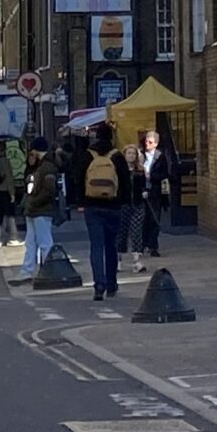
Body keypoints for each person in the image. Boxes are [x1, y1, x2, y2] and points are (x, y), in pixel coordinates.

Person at [79, 123, 126, 302]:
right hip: (113, 206)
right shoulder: (117, 156)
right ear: (111, 136)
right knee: (111, 246)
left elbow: (77, 177)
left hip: (92, 206)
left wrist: (81, 201)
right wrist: (122, 202)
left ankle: (99, 286)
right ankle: (112, 284)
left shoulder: (87, 155)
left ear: (96, 136)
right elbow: (125, 182)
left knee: (96, 246)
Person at [14, 143, 58, 283]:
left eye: (32, 152)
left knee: (44, 242)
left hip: (41, 210)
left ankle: (47, 271)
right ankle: (27, 271)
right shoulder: (40, 166)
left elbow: (49, 190)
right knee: (31, 242)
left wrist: (34, 202)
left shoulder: (47, 166)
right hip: (34, 210)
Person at [138, 130, 176, 263]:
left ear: (156, 143)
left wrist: (151, 176)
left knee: (154, 218)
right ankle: (141, 245)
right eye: (146, 142)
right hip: (142, 191)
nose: (148, 144)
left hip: (155, 191)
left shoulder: (160, 157)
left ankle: (153, 245)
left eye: (151, 142)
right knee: (142, 219)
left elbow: (165, 175)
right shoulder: (139, 155)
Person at [119, 142, 148, 275]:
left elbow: (144, 185)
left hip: (138, 204)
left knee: (136, 232)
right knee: (122, 232)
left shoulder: (140, 170)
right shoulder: (119, 170)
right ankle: (118, 260)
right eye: (129, 153)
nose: (131, 156)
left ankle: (137, 262)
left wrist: (145, 191)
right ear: (124, 155)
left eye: (133, 154)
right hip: (123, 204)